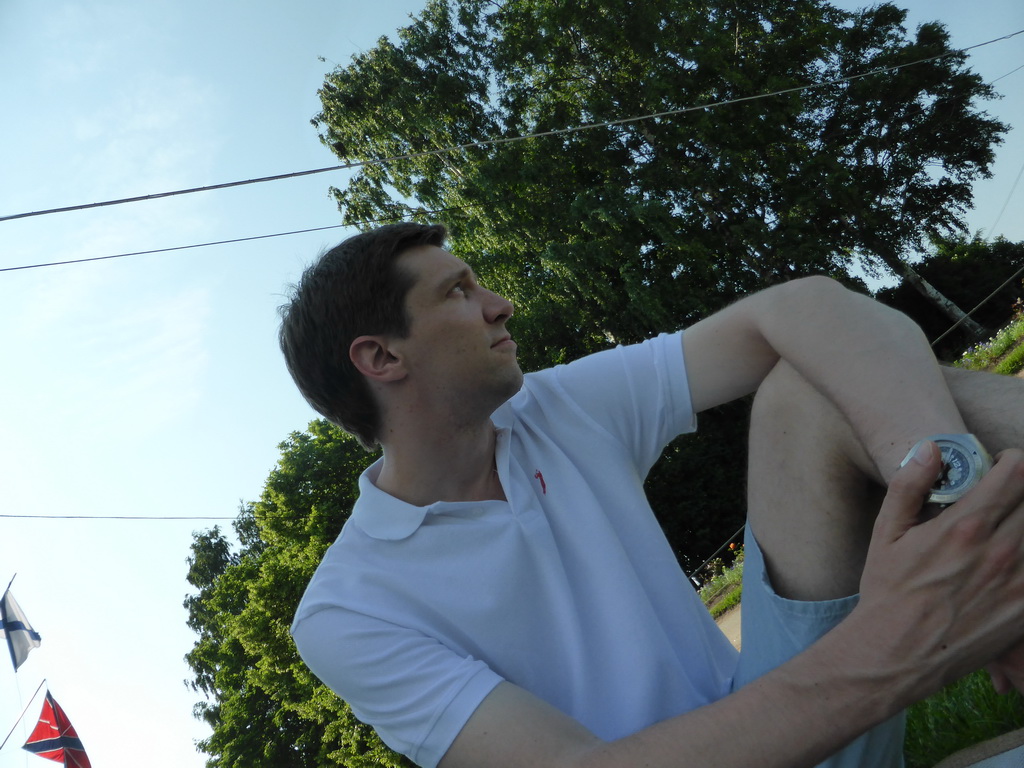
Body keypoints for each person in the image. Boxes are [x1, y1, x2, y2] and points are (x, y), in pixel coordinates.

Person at [281, 222, 1024, 768]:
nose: (500, 303)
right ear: (381, 357)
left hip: (807, 729)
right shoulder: (349, 610)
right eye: (458, 292)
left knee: (807, 387)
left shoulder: (550, 410)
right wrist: (904, 639)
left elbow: (796, 310)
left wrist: (962, 515)